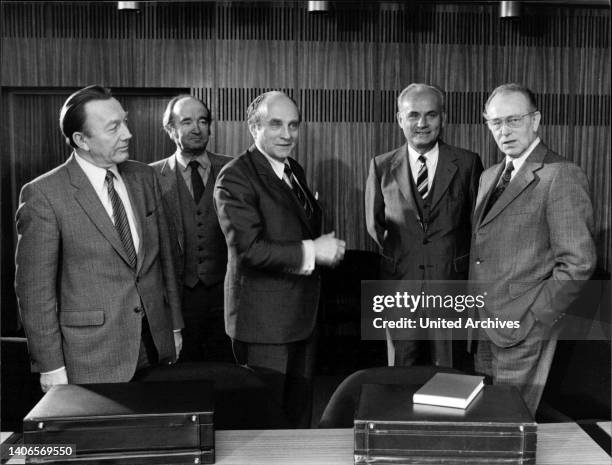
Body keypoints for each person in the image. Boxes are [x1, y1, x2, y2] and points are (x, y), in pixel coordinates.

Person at [14, 85, 183, 392]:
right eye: (114, 127)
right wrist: (51, 365)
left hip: (154, 345)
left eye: (125, 121)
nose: (128, 133)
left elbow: (166, 259)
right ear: (81, 140)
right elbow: (34, 292)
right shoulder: (44, 195)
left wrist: (174, 325)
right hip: (90, 356)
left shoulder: (145, 177)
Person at [214, 91, 346, 427]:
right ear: (253, 127)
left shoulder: (293, 169)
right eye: (276, 125)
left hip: (302, 316)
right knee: (266, 422)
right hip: (264, 323)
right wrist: (312, 250)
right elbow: (249, 249)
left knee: (299, 415)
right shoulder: (235, 177)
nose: (287, 134)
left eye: (293, 125)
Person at [470, 83, 596, 414]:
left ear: (536, 120)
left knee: (512, 425)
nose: (504, 131)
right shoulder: (489, 177)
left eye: (514, 120)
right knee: (487, 426)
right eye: (496, 122)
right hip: (483, 327)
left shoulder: (560, 175)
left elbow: (578, 263)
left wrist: (535, 319)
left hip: (524, 328)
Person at [365, 83, 483, 367]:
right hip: (400, 288)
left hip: (450, 287)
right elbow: (375, 225)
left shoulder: (468, 163)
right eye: (413, 115)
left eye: (431, 115)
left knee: (451, 373)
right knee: (401, 372)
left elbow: (477, 226)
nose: (422, 123)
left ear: (443, 118)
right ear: (399, 119)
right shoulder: (381, 166)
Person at [151, 95, 233, 363]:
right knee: (184, 377)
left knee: (230, 377)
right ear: (171, 129)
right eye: (187, 122)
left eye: (203, 121)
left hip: (227, 294)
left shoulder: (234, 170)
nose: (197, 128)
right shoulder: (151, 177)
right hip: (179, 299)